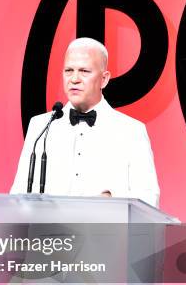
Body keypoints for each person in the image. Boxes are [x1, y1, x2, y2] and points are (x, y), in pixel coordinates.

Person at [10, 37, 160, 207]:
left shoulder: (131, 131)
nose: (74, 79)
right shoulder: (41, 126)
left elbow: (148, 200)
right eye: (68, 70)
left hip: (104, 232)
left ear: (104, 79)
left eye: (84, 71)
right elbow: (18, 194)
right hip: (49, 233)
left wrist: (112, 200)